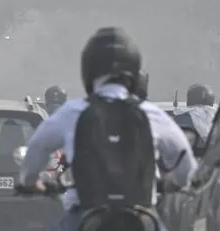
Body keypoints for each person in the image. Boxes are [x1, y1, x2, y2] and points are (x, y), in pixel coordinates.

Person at [20, 27, 197, 231]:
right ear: (134, 70)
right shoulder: (151, 114)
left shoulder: (73, 112)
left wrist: (31, 182)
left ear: (88, 69)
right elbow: (186, 165)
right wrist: (172, 183)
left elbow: (37, 149)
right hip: (141, 218)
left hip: (85, 217)